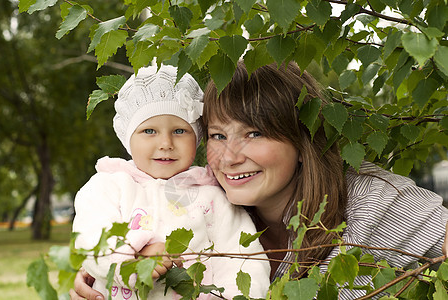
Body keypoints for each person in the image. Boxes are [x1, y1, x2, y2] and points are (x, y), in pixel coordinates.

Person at [71, 61, 448, 300]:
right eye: (218, 135)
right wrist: (104, 276)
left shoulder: (368, 202)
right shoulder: (202, 208)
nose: (231, 156)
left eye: (254, 134)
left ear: (301, 140)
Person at [72, 65, 270, 300]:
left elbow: (243, 260)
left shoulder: (212, 197)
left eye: (179, 131)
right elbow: (91, 237)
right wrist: (133, 260)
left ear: (197, 138)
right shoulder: (108, 187)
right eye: (149, 131)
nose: (165, 143)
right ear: (127, 138)